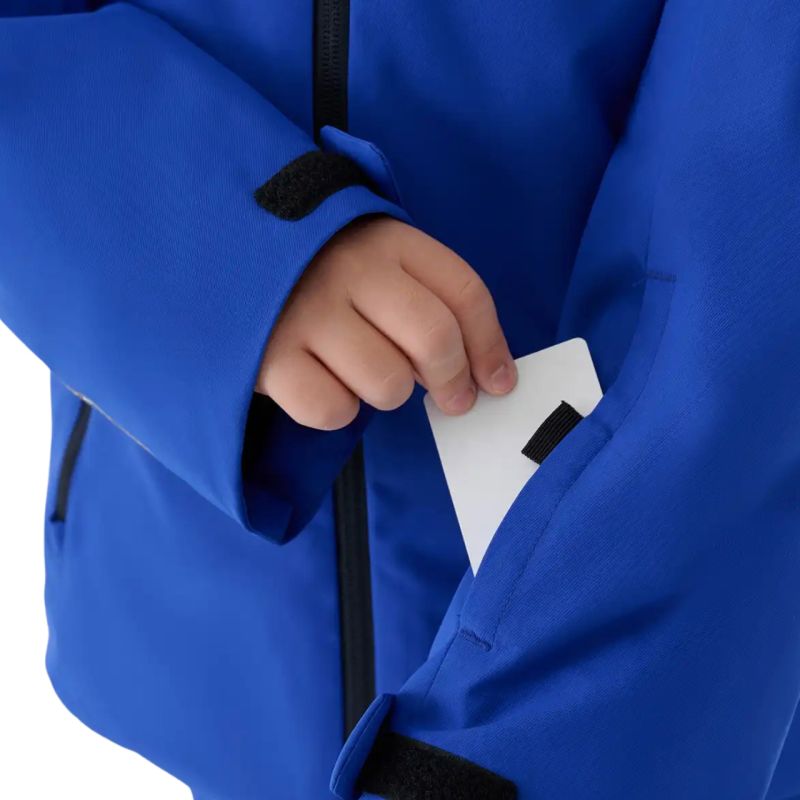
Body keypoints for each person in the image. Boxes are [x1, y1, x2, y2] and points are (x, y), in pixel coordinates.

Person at [2, 2, 800, 798]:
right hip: (184, 585)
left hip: (645, 666)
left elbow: (750, 264)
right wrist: (233, 246)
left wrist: (475, 773)